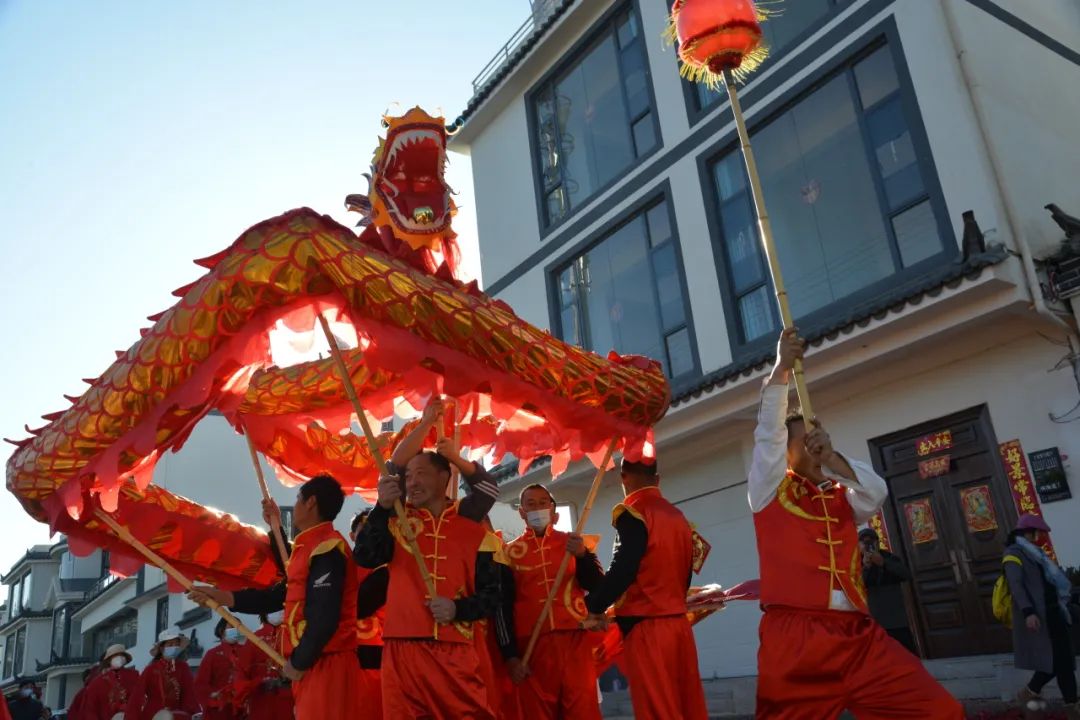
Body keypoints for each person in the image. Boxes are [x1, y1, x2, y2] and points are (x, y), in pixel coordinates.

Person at [749, 328, 962, 719]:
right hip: (797, 640)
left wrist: (832, 457)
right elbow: (767, 435)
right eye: (801, 441)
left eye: (816, 437)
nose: (812, 444)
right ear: (786, 454)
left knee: (938, 711)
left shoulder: (842, 495)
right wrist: (781, 369)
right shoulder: (769, 492)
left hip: (859, 637)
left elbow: (876, 492)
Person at [353, 400, 506, 720]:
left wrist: (457, 609)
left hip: (454, 649)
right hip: (401, 650)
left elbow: (493, 595)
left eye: (421, 474)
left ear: (443, 477)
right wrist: (425, 424)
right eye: (409, 477)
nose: (411, 482)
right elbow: (365, 555)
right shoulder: (397, 519)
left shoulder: (467, 520)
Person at [187, 474, 363, 720]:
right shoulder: (308, 548)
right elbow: (274, 597)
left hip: (327, 663)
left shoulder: (328, 548)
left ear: (311, 502)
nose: (296, 505)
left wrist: (299, 662)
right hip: (313, 664)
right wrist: (222, 596)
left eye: (298, 499)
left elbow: (324, 618)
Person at [580, 458, 708, 720]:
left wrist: (593, 606)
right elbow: (685, 574)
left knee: (657, 709)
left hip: (647, 627)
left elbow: (623, 569)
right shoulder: (679, 517)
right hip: (679, 626)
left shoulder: (633, 512)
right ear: (657, 479)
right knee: (686, 705)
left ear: (623, 477)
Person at [501, 483, 605, 720]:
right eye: (531, 504)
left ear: (552, 508)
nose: (538, 508)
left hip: (574, 639)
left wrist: (583, 555)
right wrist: (510, 656)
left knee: (582, 709)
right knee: (537, 712)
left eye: (543, 503)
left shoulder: (573, 542)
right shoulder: (508, 553)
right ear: (522, 512)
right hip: (532, 647)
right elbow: (503, 606)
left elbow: (598, 586)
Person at [1005, 514, 1079, 717]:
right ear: (1029, 532)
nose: (1042, 537)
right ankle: (1032, 693)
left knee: (1064, 661)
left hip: (1055, 612)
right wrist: (1028, 612)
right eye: (1040, 533)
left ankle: (1070, 704)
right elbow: (1017, 586)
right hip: (1039, 616)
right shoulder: (1013, 554)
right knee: (1055, 660)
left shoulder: (1037, 553)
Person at [350, 509, 388, 720]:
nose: (370, 535)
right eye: (364, 530)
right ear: (353, 536)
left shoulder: (387, 569)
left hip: (377, 658)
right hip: (345, 657)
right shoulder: (341, 564)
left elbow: (359, 606)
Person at [859, 527, 917, 654]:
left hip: (895, 617)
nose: (868, 546)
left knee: (906, 654)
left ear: (877, 542)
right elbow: (855, 585)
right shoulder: (855, 563)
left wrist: (883, 563)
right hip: (871, 618)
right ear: (858, 545)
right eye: (864, 542)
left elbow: (906, 575)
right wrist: (866, 568)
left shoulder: (889, 557)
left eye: (871, 541)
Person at [124, 628, 200, 720]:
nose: (174, 647)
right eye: (170, 644)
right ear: (161, 648)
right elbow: (137, 696)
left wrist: (195, 713)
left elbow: (190, 694)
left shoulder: (183, 667)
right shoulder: (151, 670)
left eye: (176, 644)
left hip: (178, 715)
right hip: (153, 716)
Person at [239, 612, 294, 720]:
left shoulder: (292, 634)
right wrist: (259, 682)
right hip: (263, 702)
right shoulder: (254, 639)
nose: (278, 611)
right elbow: (242, 677)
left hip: (290, 701)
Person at [195, 618, 246, 720]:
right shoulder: (212, 654)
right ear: (221, 630)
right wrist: (214, 695)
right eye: (232, 626)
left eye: (238, 627)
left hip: (242, 710)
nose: (235, 629)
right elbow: (200, 684)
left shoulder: (246, 651)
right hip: (219, 711)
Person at [82, 644, 139, 720]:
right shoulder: (97, 683)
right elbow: (90, 710)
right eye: (116, 656)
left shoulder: (134, 676)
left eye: (121, 655)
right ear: (109, 660)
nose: (119, 658)